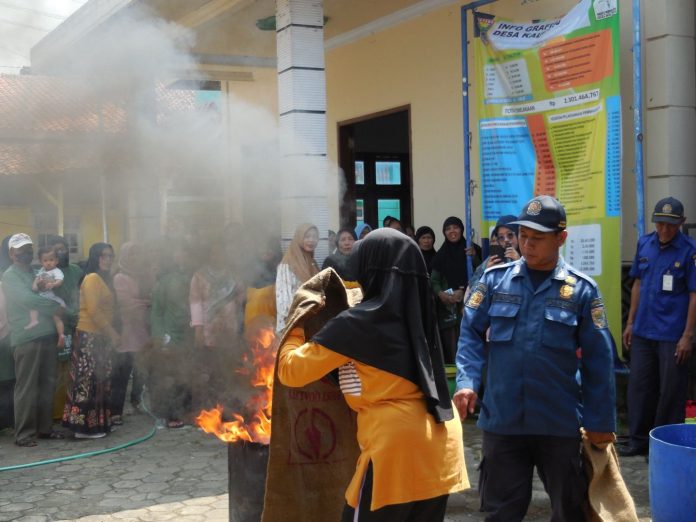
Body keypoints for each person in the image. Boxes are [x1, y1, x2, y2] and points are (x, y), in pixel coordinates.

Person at [278, 228, 468, 520]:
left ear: (370, 270)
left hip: (395, 449)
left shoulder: (357, 324)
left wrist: (298, 323)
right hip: (441, 444)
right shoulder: (420, 312)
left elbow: (291, 371)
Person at [454, 195, 616, 521]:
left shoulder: (582, 291)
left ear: (561, 238)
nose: (527, 245)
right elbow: (470, 333)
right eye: (523, 236)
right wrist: (467, 381)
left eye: (537, 238)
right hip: (502, 420)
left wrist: (601, 423)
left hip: (558, 423)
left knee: (570, 510)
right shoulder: (494, 281)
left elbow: (599, 362)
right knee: (500, 512)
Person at [620, 197, 696, 457]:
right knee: (639, 387)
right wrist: (630, 322)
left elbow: (694, 295)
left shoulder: (689, 251)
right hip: (643, 330)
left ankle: (665, 446)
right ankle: (638, 440)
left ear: (681, 223)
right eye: (661, 224)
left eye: (671, 225)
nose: (665, 230)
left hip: (672, 334)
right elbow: (638, 284)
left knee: (671, 392)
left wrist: (687, 336)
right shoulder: (645, 243)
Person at [2, 233, 64, 446]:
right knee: (27, 387)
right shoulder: (9, 276)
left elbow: (50, 292)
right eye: (20, 250)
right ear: (11, 253)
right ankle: (24, 434)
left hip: (47, 334)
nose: (25, 254)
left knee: (47, 384)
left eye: (28, 249)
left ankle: (44, 429)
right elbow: (27, 299)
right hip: (26, 337)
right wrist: (56, 308)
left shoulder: (37, 271)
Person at [63, 243, 118, 439]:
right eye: (103, 256)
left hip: (98, 336)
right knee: (87, 382)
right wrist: (112, 333)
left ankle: (97, 424)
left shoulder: (103, 279)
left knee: (98, 380)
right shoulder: (92, 278)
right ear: (95, 257)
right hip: (89, 336)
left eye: (111, 256)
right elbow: (94, 311)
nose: (108, 259)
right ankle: (83, 429)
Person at [189, 241, 246, 411]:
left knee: (228, 370)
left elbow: (242, 298)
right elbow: (195, 302)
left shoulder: (233, 276)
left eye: (220, 253)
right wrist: (198, 328)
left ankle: (227, 409)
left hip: (229, 329)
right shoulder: (199, 276)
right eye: (214, 253)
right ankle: (209, 410)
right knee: (209, 371)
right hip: (208, 330)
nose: (217, 256)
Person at [150, 243, 194, 428]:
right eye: (178, 254)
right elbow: (157, 312)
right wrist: (160, 335)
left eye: (185, 253)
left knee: (187, 376)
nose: (181, 257)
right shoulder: (165, 282)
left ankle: (186, 413)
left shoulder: (194, 277)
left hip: (189, 336)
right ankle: (168, 414)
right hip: (171, 336)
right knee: (169, 377)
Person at [431, 216, 481, 363]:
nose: (452, 231)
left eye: (455, 227)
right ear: (444, 232)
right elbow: (434, 280)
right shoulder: (441, 255)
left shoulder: (472, 250)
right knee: (452, 347)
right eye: (448, 229)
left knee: (471, 345)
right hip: (448, 310)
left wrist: (474, 257)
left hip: (470, 306)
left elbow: (481, 274)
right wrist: (441, 294)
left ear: (462, 229)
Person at [111, 242, 151, 425]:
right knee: (122, 373)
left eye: (138, 255)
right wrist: (145, 303)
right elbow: (125, 304)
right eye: (132, 255)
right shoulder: (119, 277)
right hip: (126, 332)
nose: (135, 258)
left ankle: (137, 401)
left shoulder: (142, 275)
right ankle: (115, 410)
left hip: (142, 331)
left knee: (141, 370)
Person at [46, 235, 83, 421]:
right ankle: (57, 413)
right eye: (57, 250)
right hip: (59, 327)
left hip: (78, 325)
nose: (62, 253)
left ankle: (72, 408)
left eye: (64, 249)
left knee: (75, 369)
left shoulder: (76, 270)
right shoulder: (48, 274)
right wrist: (68, 314)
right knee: (60, 370)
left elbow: (82, 293)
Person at [275, 223, 319, 333]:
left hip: (310, 320)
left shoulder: (312, 262)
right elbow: (283, 300)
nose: (311, 240)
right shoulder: (287, 264)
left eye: (314, 237)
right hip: (293, 323)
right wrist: (297, 319)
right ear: (299, 238)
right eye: (307, 236)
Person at [468, 215, 521, 292]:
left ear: (519, 235)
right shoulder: (493, 259)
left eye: (510, 235)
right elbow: (474, 293)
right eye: (501, 237)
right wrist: (486, 274)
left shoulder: (530, 257)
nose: (506, 240)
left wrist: (520, 265)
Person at [29, 246, 66, 348]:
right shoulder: (41, 270)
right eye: (45, 260)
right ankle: (34, 320)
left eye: (51, 260)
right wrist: (35, 285)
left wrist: (53, 284)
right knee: (33, 305)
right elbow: (36, 280)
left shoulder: (56, 271)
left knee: (57, 317)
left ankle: (61, 335)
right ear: (41, 261)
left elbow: (60, 280)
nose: (48, 262)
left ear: (56, 261)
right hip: (43, 297)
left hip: (52, 298)